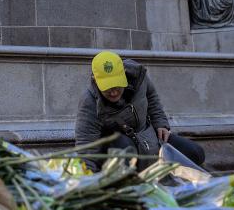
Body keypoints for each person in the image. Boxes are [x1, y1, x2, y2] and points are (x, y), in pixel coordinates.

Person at [75, 51, 204, 171]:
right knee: (123, 148)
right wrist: (87, 179)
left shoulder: (138, 77)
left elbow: (152, 97)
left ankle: (159, 172)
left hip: (150, 138)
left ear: (123, 74)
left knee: (195, 153)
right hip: (120, 150)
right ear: (95, 81)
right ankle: (128, 180)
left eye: (117, 85)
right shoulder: (89, 101)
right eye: (107, 88)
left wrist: (160, 122)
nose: (114, 92)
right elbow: (86, 146)